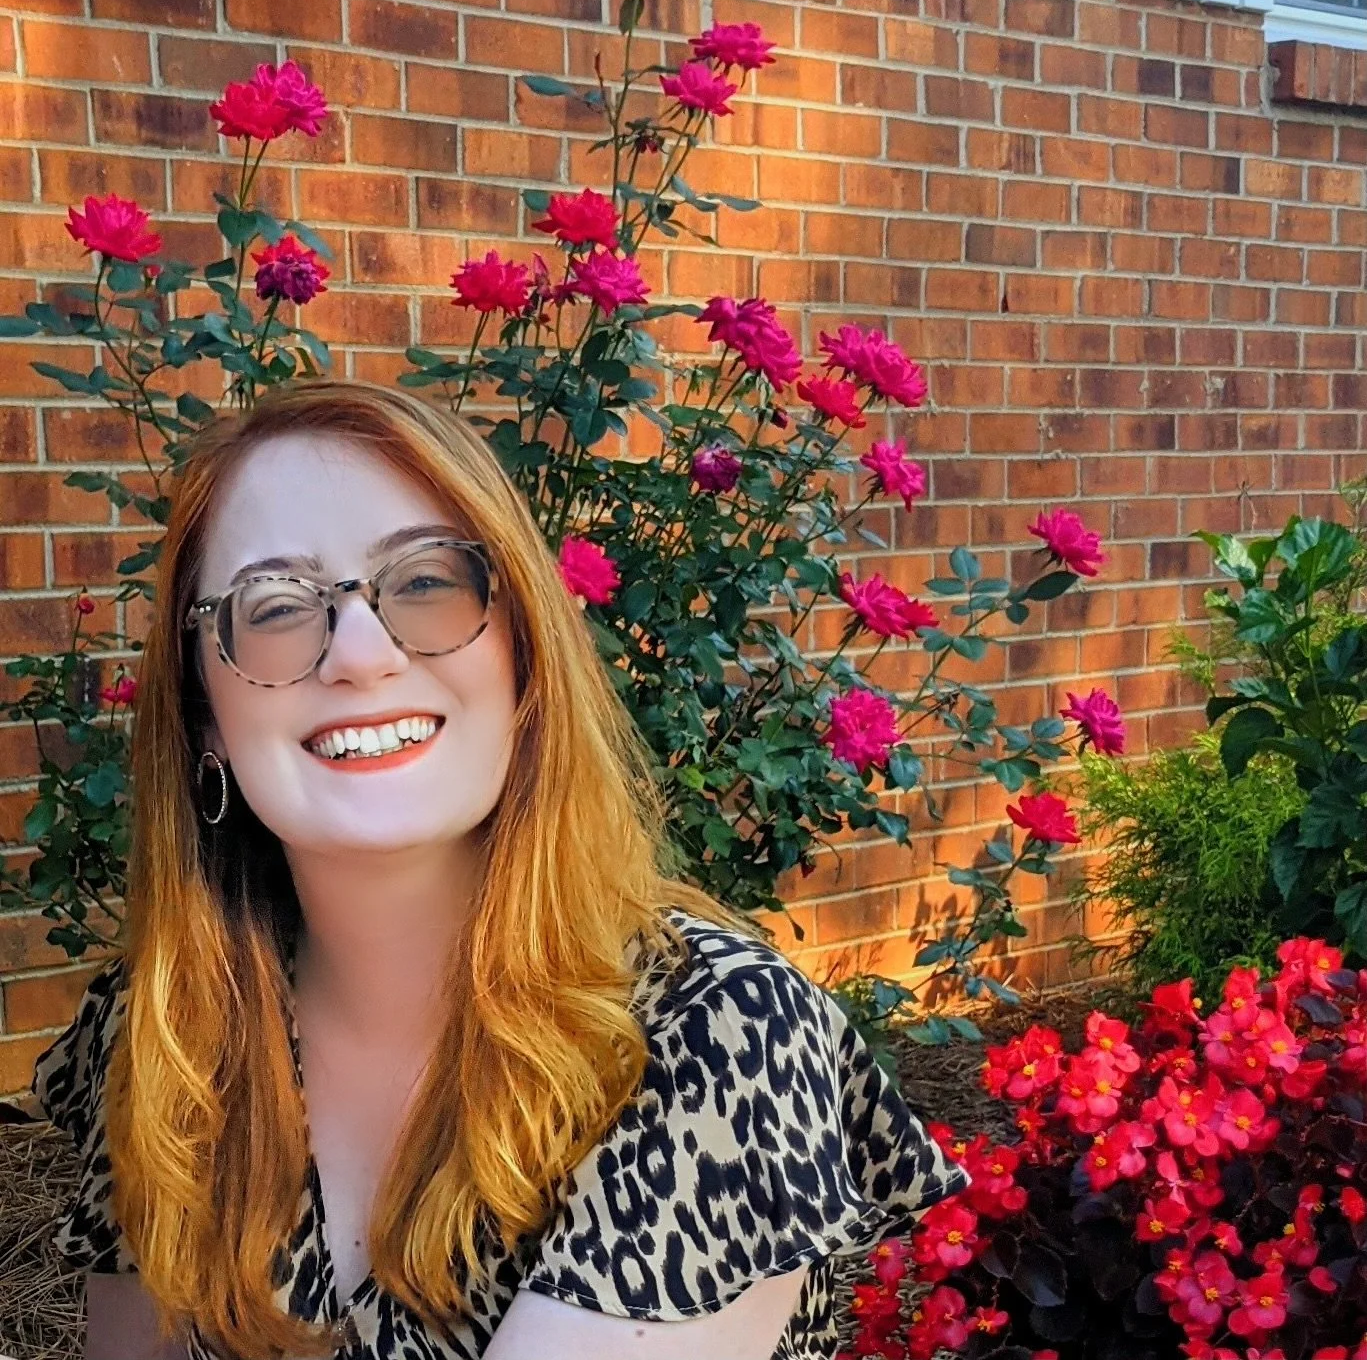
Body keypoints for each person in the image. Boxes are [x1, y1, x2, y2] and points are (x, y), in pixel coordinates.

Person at [31, 379, 969, 1360]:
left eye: (428, 581)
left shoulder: (712, 1031)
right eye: (274, 605)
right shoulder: (160, 1032)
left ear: (523, 654)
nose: (361, 650)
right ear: (204, 719)